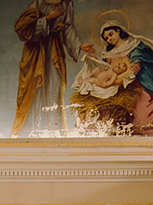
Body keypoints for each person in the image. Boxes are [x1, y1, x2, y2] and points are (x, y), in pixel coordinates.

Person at [72, 22, 153, 136]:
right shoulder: (108, 54)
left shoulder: (134, 46)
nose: (109, 39)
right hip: (114, 88)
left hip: (135, 86)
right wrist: (93, 61)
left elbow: (136, 66)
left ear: (118, 31)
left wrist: (122, 79)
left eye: (111, 34)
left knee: (143, 120)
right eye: (107, 38)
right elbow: (105, 69)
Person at [11, 0, 95, 136]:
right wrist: (47, 19)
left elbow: (68, 27)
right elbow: (23, 28)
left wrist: (79, 45)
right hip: (35, 53)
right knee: (34, 90)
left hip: (54, 51)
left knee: (53, 89)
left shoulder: (67, 3)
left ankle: (54, 132)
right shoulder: (37, 3)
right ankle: (30, 132)